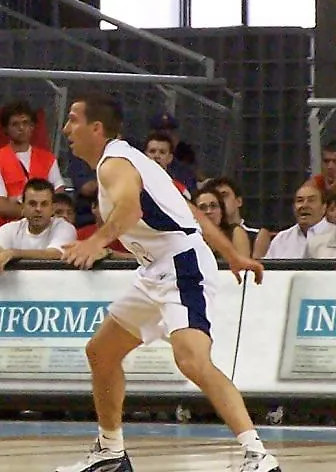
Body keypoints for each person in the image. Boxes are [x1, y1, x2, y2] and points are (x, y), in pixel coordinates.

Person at [57, 93, 280, 472]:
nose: (65, 129)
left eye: (73, 120)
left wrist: (95, 242)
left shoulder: (114, 164)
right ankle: (110, 452)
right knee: (101, 352)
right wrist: (231, 254)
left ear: (96, 128)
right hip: (154, 269)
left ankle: (259, 456)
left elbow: (130, 209)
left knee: (192, 360)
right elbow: (190, 210)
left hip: (181, 265)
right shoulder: (133, 160)